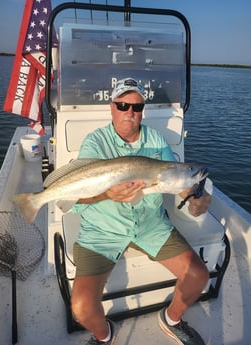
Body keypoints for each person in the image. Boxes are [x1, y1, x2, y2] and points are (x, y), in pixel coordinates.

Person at [71, 78, 211, 345]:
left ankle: (171, 319)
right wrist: (106, 194)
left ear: (143, 109)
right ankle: (104, 336)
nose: (130, 112)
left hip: (150, 225)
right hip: (104, 230)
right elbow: (78, 196)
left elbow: (175, 180)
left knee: (198, 275)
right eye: (123, 105)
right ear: (112, 107)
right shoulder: (95, 142)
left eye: (136, 106)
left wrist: (196, 196)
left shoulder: (155, 139)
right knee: (81, 307)